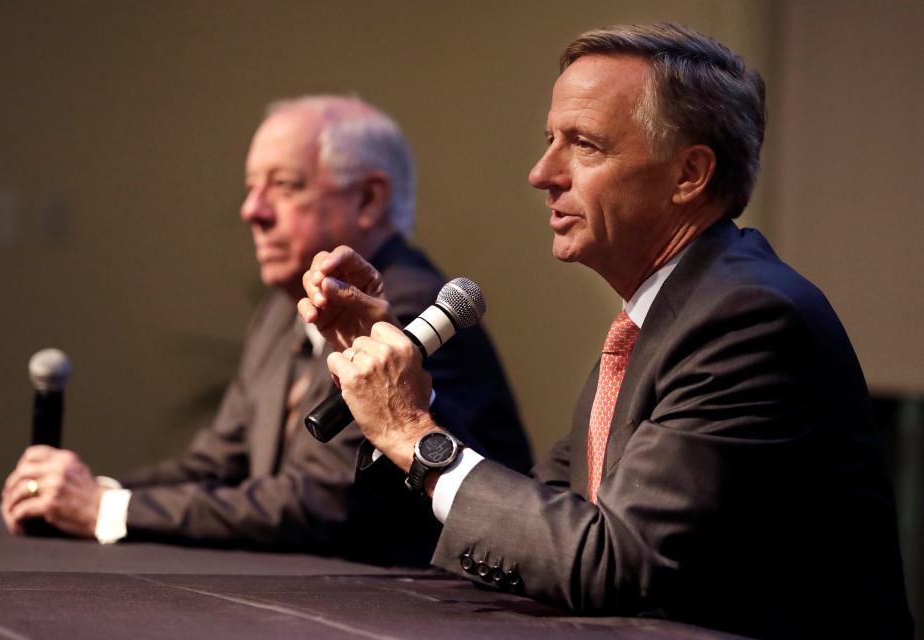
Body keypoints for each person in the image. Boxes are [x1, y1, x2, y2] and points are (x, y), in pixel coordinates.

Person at [297, 25, 912, 638]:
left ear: (689, 174)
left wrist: (412, 432)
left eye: (584, 146)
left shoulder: (746, 319)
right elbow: (543, 535)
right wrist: (389, 398)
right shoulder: (662, 317)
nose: (542, 173)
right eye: (549, 141)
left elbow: (616, 563)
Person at [0, 95, 530, 567]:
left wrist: (104, 509)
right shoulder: (285, 307)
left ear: (368, 199)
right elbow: (219, 461)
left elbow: (321, 501)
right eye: (252, 187)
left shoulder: (410, 312)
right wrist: (88, 492)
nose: (251, 210)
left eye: (282, 185)